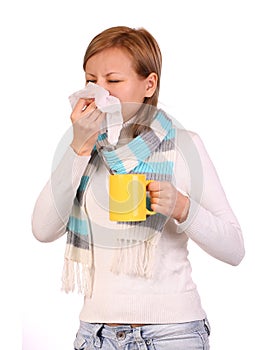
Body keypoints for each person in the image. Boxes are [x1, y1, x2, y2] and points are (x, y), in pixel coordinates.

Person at [32, 26, 245, 350]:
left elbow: (235, 249)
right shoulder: (84, 152)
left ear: (149, 84)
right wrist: (78, 147)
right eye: (91, 80)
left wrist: (181, 207)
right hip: (96, 336)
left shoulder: (185, 147)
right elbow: (42, 230)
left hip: (173, 336)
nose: (98, 92)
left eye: (113, 80)